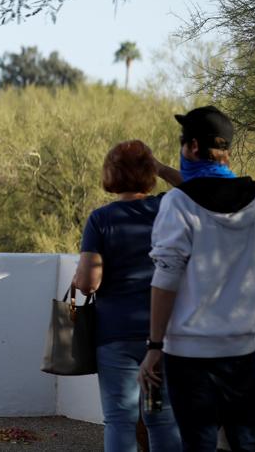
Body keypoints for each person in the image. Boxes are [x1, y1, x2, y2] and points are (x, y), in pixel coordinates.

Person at [140, 106, 255, 452]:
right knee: (246, 437)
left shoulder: (178, 204)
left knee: (198, 441)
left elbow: (166, 278)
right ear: (227, 150)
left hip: (189, 352)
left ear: (191, 148)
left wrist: (155, 346)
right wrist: (248, 325)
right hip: (240, 347)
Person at [72, 140, 182, 452]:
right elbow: (198, 190)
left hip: (116, 336)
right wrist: (159, 168)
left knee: (119, 419)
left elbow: (89, 283)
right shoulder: (167, 208)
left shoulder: (101, 219)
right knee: (161, 418)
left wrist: (82, 278)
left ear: (111, 173)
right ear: (149, 173)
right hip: (161, 333)